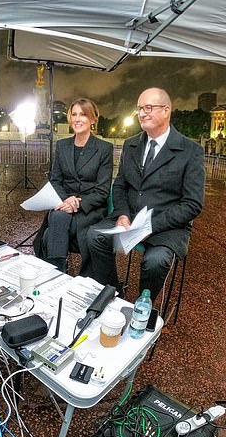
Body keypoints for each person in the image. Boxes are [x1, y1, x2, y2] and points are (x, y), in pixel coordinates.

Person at [86, 87, 205, 300]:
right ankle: (113, 291)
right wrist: (122, 214)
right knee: (94, 236)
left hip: (165, 227)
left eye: (149, 107)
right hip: (130, 219)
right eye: (140, 108)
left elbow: (192, 204)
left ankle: (143, 305)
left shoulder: (190, 151)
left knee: (156, 262)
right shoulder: (131, 144)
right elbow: (120, 186)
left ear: (166, 110)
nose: (142, 113)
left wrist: (150, 225)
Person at [34, 98, 113, 275]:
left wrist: (77, 203)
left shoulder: (104, 148)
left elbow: (102, 191)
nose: (77, 119)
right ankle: (58, 273)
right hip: (64, 204)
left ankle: (55, 274)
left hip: (89, 210)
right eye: (74, 114)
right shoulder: (62, 146)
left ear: (93, 120)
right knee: (59, 216)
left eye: (83, 114)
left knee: (53, 226)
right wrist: (66, 200)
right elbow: (55, 180)